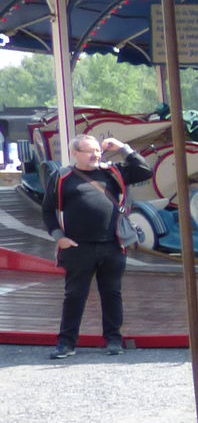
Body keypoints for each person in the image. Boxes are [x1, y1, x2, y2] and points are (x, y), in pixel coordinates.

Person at [42, 132, 152, 359]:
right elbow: (48, 209)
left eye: (98, 151)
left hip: (112, 245)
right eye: (89, 151)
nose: (96, 155)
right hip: (77, 247)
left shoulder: (111, 172)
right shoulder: (62, 177)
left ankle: (113, 339)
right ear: (75, 153)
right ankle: (66, 343)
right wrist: (59, 237)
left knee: (112, 293)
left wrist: (122, 147)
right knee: (74, 296)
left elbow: (144, 171)